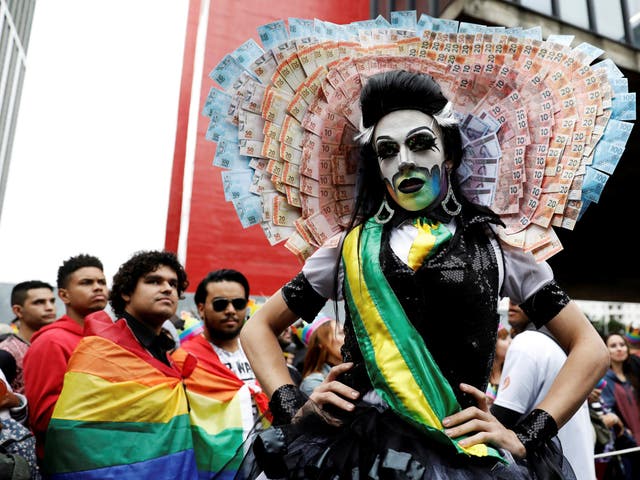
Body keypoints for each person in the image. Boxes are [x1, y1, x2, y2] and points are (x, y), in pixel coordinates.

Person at [239, 70, 608, 479]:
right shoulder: (347, 249)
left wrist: (527, 434)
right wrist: (293, 406)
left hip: (463, 457)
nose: (405, 161)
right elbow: (258, 329)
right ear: (378, 167)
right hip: (353, 456)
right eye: (387, 150)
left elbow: (590, 348)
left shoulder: (499, 247)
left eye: (420, 143)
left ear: (448, 154)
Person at [43, 250, 198, 478]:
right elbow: (72, 432)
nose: (167, 289)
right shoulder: (101, 350)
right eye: (154, 281)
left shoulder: (168, 352)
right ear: (126, 292)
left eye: (173, 284)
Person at [171, 269, 270, 478]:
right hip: (214, 468)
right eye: (220, 304)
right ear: (201, 308)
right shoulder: (183, 359)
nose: (231, 310)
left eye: (239, 303)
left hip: (266, 463)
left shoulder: (263, 352)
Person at [491, 299, 595, 480]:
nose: (512, 302)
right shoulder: (555, 346)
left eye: (523, 294)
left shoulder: (527, 343)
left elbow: (499, 421)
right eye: (510, 295)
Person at [22, 254, 108, 462]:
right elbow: (44, 418)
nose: (98, 287)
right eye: (86, 283)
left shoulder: (107, 340)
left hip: (107, 459)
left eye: (102, 282)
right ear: (64, 295)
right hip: (70, 464)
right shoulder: (52, 341)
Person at [0, 280, 56, 394]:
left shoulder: (55, 345)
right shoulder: (7, 353)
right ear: (18, 310)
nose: (49, 307)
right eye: (39, 302)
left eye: (52, 301)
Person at [600, 333, 640, 479]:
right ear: (606, 350)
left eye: (622, 345)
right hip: (624, 444)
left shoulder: (633, 375)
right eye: (613, 346)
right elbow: (607, 409)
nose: (619, 349)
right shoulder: (604, 379)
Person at [299, 315, 345, 397]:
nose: (348, 337)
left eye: (347, 332)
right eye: (341, 333)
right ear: (321, 343)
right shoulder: (314, 383)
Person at [485, 325, 511, 406]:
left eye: (510, 337)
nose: (510, 341)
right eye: (504, 338)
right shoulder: (480, 375)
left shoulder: (510, 374)